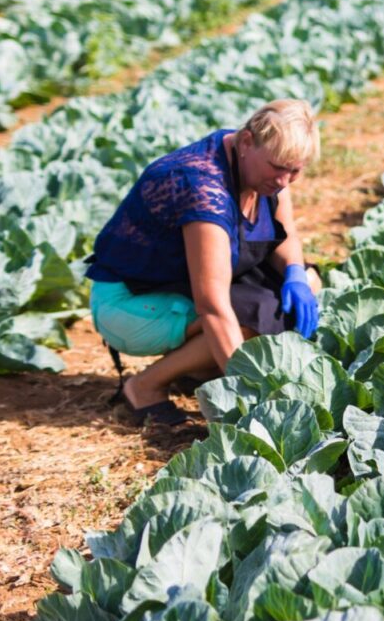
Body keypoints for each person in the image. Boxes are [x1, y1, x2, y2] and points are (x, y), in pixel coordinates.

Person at [86, 99, 323, 425]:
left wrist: (295, 274)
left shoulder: (261, 163)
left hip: (179, 284)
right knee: (259, 315)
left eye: (294, 170)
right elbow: (212, 305)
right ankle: (143, 387)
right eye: (278, 167)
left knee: (307, 282)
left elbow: (287, 236)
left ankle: (196, 367)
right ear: (246, 142)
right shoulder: (203, 187)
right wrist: (250, 400)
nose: (284, 181)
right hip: (131, 302)